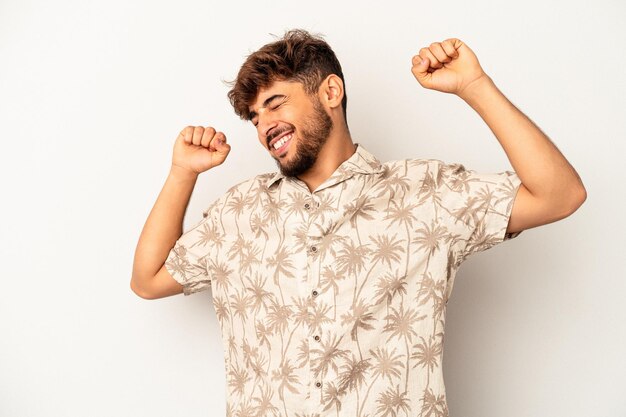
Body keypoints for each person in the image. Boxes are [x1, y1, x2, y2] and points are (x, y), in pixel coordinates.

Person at [131, 29, 586, 417]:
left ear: (331, 92)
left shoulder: (425, 193)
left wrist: (476, 86)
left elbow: (560, 195)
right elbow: (148, 279)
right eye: (255, 117)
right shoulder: (239, 213)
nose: (264, 125)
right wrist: (181, 173)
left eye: (275, 103)